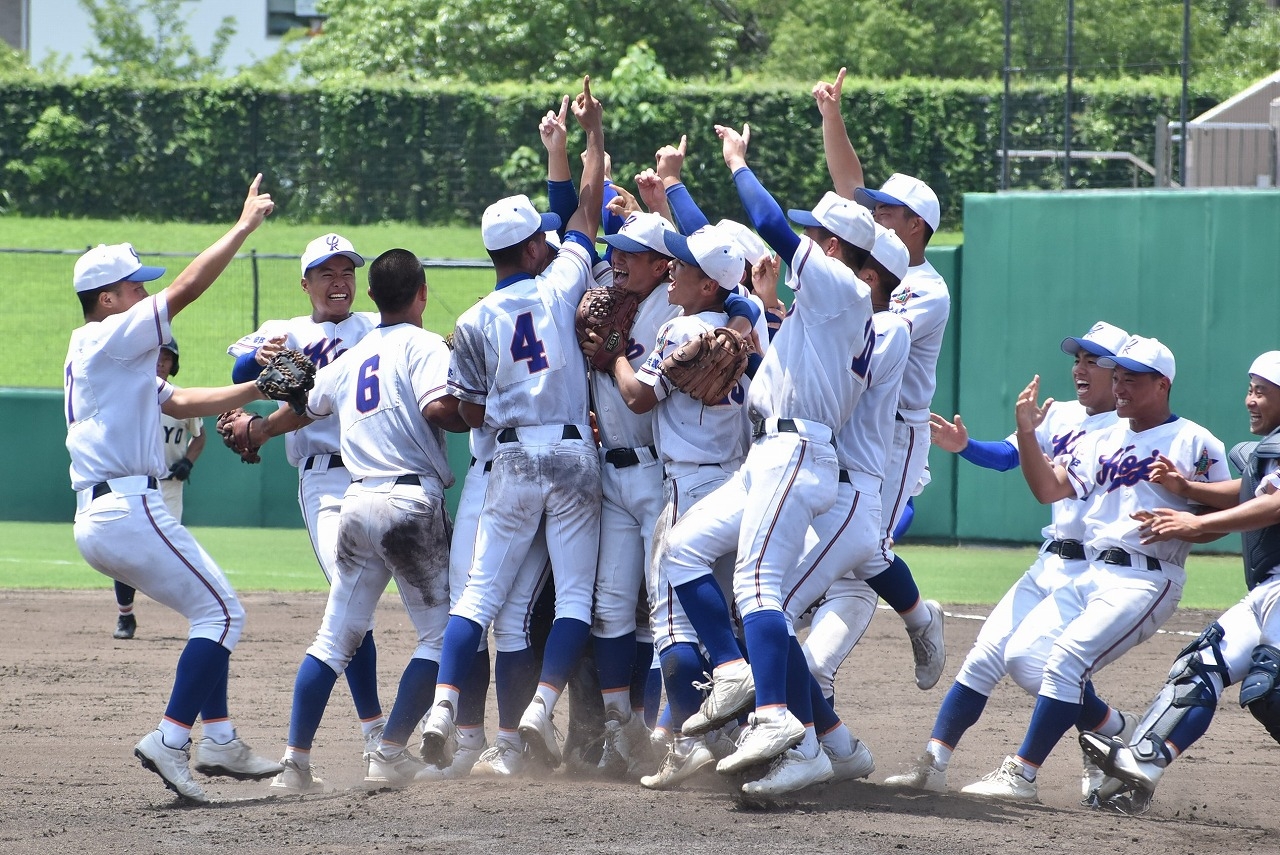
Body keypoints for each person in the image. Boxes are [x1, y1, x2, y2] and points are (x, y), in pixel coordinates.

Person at [658, 120, 876, 788]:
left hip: (796, 449)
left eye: (818, 232)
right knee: (683, 549)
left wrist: (736, 161)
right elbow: (719, 262)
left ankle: (779, 714)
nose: (805, 238)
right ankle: (731, 672)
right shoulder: (815, 308)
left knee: (756, 585)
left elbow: (767, 220)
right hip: (770, 455)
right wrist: (671, 187)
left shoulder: (843, 288)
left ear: (837, 247)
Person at [65, 175, 281, 804]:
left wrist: (257, 388)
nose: (146, 291)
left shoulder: (102, 350)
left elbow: (181, 398)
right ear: (106, 298)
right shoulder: (113, 333)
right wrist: (242, 228)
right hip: (128, 506)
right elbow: (186, 289)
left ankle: (218, 736)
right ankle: (171, 737)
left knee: (204, 614)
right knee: (225, 613)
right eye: (135, 285)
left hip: (102, 513)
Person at [420, 76, 606, 772]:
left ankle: (444, 705)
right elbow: (586, 209)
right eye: (541, 239)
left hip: (509, 460)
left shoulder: (471, 320)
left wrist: (495, 412)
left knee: (480, 594)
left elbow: (465, 408)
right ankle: (537, 710)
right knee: (578, 596)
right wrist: (590, 137)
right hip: (572, 453)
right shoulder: (562, 279)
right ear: (532, 248)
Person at [232, 248, 466, 791]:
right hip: (407, 502)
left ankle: (295, 763)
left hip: (356, 500)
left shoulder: (350, 357)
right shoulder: (424, 344)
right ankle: (386, 749)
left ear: (370, 294)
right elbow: (439, 410)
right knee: (441, 634)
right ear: (422, 294)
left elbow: (306, 405)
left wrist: (259, 430)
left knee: (331, 639)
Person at [958, 335, 1230, 802]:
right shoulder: (1102, 436)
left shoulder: (1195, 441)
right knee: (1024, 658)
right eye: (1117, 376)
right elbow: (1048, 490)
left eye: (1131, 379)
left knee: (1065, 661)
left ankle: (1021, 773)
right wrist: (1026, 434)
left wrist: (1189, 524)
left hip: (1147, 577)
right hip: (1092, 573)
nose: (1120, 386)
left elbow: (1229, 512)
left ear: (1162, 385)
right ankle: (1114, 730)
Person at [886, 321, 1132, 798]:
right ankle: (933, 762)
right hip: (1048, 562)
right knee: (984, 655)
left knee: (1036, 666)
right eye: (1076, 358)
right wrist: (965, 446)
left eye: (1092, 360)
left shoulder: (1130, 430)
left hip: (1093, 570)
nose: (1079, 368)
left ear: (1120, 373)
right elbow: (1006, 456)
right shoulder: (1057, 414)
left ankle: (1088, 739)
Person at [1080, 351, 1280, 811]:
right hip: (1266, 592)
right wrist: (1188, 490)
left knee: (1270, 686)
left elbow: (1273, 504)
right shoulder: (1269, 450)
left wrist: (1194, 524)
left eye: (1262, 392)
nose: (1250, 400)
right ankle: (1145, 763)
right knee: (1198, 667)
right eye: (1250, 388)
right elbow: (1255, 486)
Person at [226, 233, 387, 761]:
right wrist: (259, 360)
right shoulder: (286, 332)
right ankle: (371, 736)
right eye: (327, 273)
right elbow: (237, 374)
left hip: (384, 474)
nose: (340, 282)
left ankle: (431, 725)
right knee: (350, 597)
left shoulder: (376, 324)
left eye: (347, 273)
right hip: (325, 479)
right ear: (306, 283)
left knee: (425, 600)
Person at [604, 224, 752, 789]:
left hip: (687, 488)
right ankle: (739, 735)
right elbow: (748, 306)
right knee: (725, 618)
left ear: (709, 285)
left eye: (684, 267)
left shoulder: (680, 328)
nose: (673, 270)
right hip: (733, 483)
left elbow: (639, 396)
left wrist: (616, 355)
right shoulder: (746, 328)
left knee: (673, 624)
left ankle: (690, 740)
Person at [817, 67, 949, 689]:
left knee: (862, 551)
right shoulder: (873, 259)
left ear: (915, 225)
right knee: (829, 549)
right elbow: (850, 188)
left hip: (895, 436)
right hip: (847, 417)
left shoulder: (926, 290)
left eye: (887, 212)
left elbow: (870, 332)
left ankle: (921, 619)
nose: (874, 216)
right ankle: (814, 672)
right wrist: (831, 117)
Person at [112, 338, 206, 640]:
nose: (161, 362)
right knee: (126, 554)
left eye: (167, 358)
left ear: (173, 364)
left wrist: (188, 463)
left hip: (169, 487)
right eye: (157, 356)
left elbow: (199, 437)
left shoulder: (181, 400)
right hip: (135, 485)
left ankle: (200, 615)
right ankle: (125, 616)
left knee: (170, 551)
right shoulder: (130, 396)